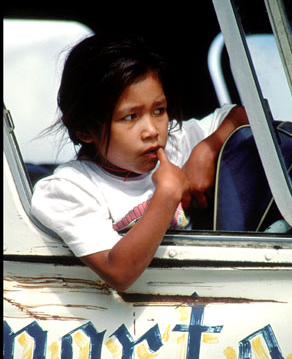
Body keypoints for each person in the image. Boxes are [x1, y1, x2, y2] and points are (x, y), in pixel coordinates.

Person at [31, 34, 248, 291]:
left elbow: (246, 114)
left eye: (159, 111)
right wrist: (168, 193)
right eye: (130, 117)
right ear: (86, 130)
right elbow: (119, 273)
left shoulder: (177, 145)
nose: (151, 130)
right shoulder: (70, 190)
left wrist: (206, 150)